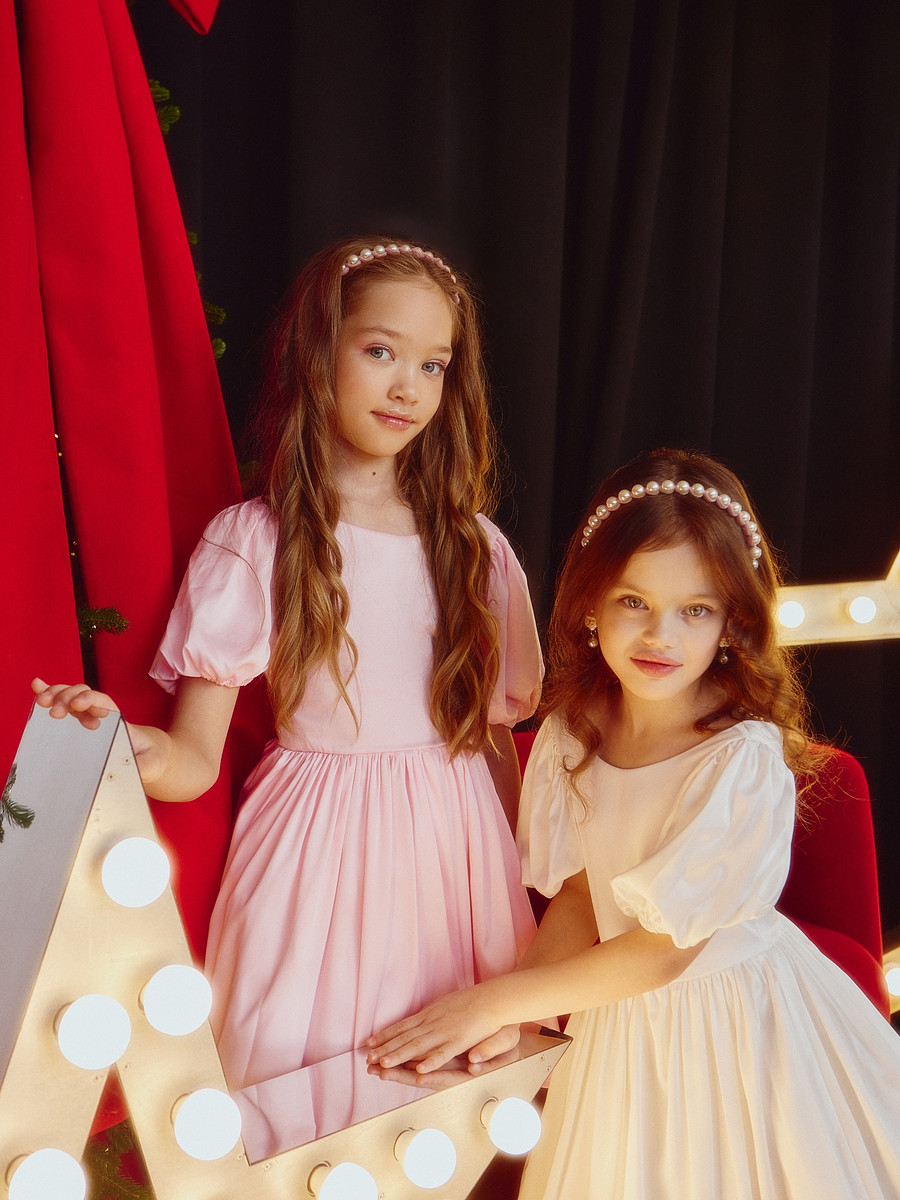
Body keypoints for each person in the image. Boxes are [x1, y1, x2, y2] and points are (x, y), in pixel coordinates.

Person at [33, 236, 542, 1092]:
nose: (407, 386)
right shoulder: (255, 539)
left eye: (433, 364)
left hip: (456, 859)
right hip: (313, 856)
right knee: (292, 1089)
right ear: (319, 354)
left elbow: (492, 741)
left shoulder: (476, 550)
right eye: (380, 351)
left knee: (456, 1096)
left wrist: (520, 883)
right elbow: (193, 758)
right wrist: (124, 746)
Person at [368, 447, 900, 1198]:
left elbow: (661, 953)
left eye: (695, 610)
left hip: (731, 1017)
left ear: (732, 622)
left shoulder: (739, 758)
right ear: (591, 604)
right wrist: (524, 1013)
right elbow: (582, 897)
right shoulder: (573, 733)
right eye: (634, 602)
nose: (660, 636)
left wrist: (492, 1002)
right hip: (615, 1016)